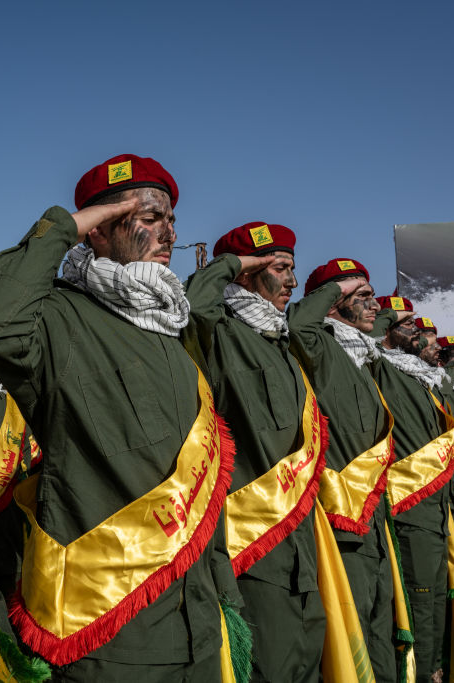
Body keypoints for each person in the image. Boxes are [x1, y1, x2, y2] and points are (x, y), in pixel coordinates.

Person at [0, 155, 239, 680]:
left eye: (170, 219)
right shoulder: (59, 316)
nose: (167, 231)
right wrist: (65, 224)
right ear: (98, 232)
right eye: (146, 217)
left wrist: (225, 598)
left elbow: (206, 486)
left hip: (196, 623)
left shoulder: (171, 330)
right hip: (108, 633)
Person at [186, 222, 325, 682]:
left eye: (292, 268)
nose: (291, 281)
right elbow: (194, 307)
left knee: (307, 656)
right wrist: (230, 265)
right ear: (245, 276)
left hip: (300, 539)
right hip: (254, 547)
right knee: (272, 665)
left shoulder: (278, 342)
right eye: (279, 269)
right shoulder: (221, 333)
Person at [288, 258, 396, 682]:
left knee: (380, 621)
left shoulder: (362, 355)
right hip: (342, 520)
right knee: (353, 633)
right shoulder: (322, 345)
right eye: (363, 297)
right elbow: (299, 325)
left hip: (372, 513)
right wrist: (336, 289)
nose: (376, 306)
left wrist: (356, 289)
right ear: (332, 304)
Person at [371, 296, 454, 682]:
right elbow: (367, 342)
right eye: (410, 327)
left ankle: (435, 667)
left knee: (437, 594)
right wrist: (387, 318)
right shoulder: (377, 364)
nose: (420, 335)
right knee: (419, 601)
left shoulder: (416, 375)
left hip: (435, 501)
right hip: (409, 504)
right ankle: (421, 675)